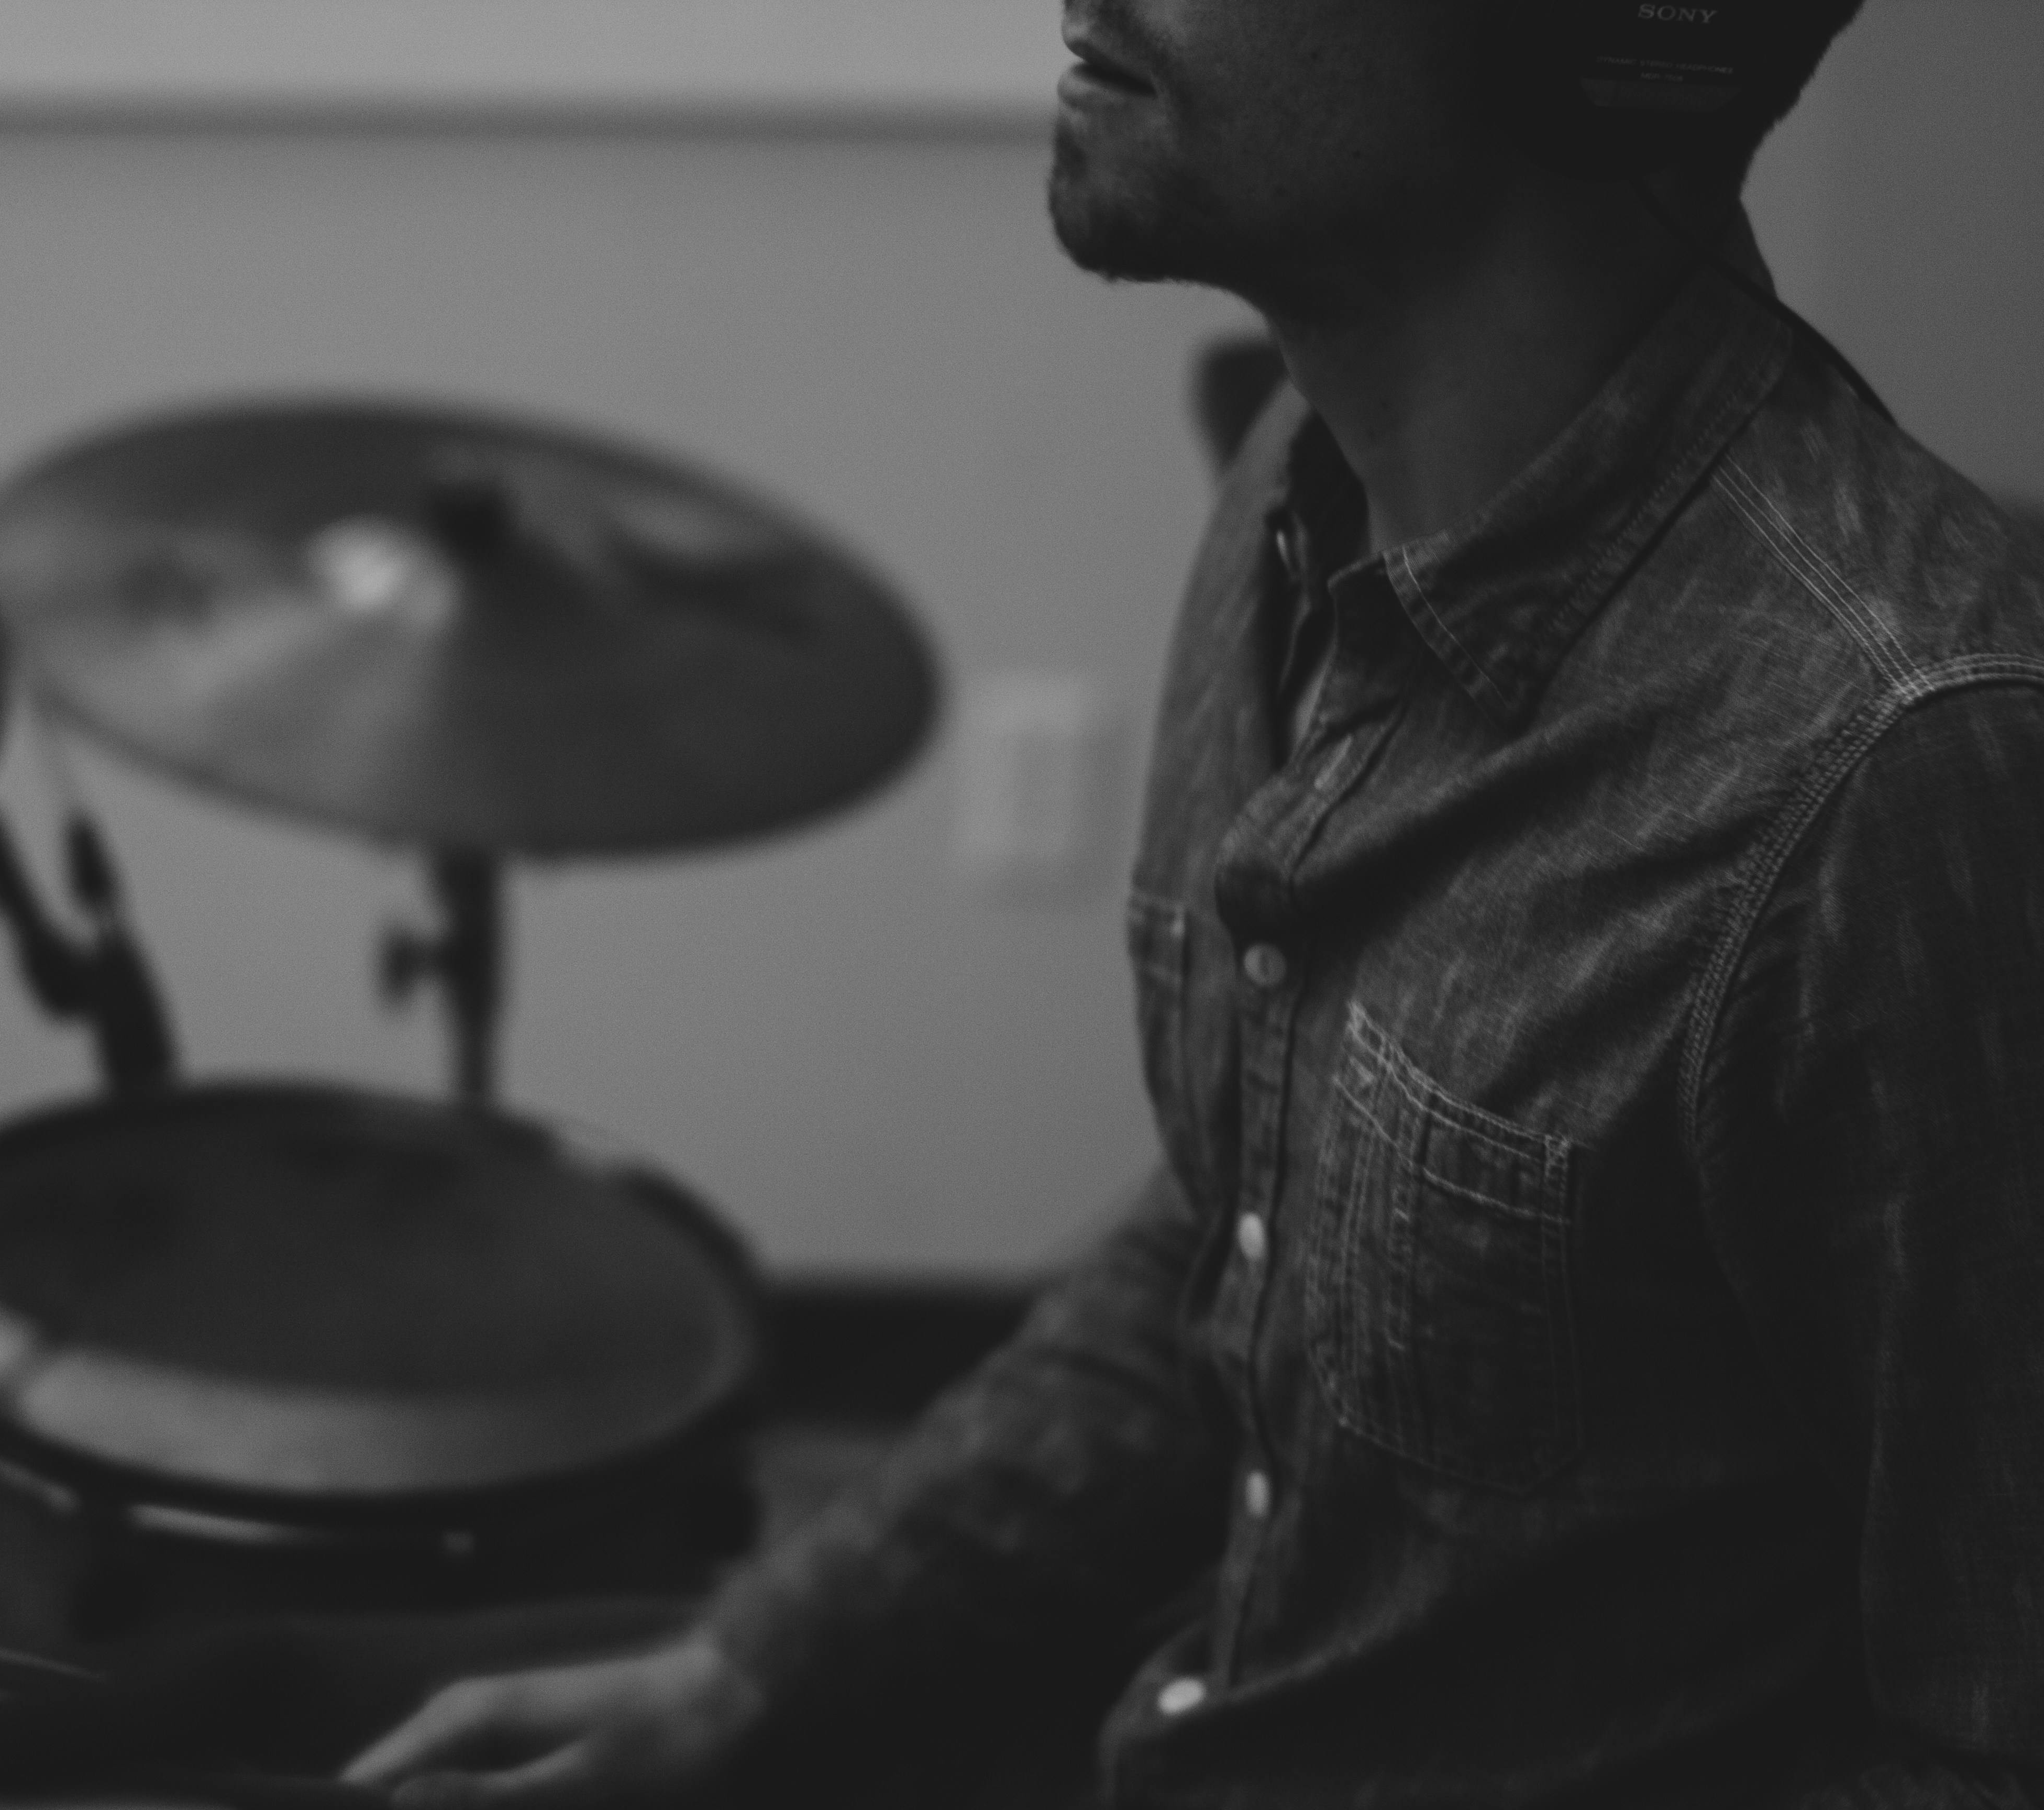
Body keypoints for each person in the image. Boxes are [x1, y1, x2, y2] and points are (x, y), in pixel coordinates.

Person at [344, 1, 2044, 1806]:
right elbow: (1222, 1245)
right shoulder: (1296, 497)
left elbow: (1989, 1729)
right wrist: (748, 1674)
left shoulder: (1898, 776)